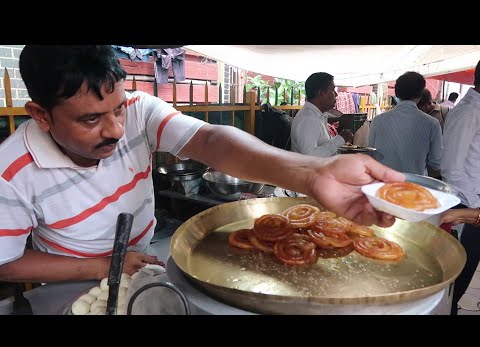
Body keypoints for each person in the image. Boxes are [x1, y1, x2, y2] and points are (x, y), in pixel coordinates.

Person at [0, 46, 404, 284]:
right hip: (68, 279)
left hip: (141, 262)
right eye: (90, 119)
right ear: (40, 115)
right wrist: (103, 266)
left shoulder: (140, 112)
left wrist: (312, 173)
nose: (116, 130)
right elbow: (7, 264)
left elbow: (211, 141)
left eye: (118, 109)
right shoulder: (11, 170)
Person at [441, 59, 480, 315]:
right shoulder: (468, 111)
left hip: (474, 205)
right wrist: (475, 207)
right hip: (468, 205)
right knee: (460, 274)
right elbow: (452, 167)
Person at [367, 71, 442, 176]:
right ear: (420, 94)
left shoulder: (378, 121)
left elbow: (370, 155)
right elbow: (436, 163)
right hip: (415, 186)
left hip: (382, 185)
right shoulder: (432, 124)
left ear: (397, 93)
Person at [290, 72, 353, 157]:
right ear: (321, 93)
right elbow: (310, 156)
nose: (336, 94)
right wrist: (340, 139)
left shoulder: (318, 116)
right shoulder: (308, 119)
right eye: (332, 90)